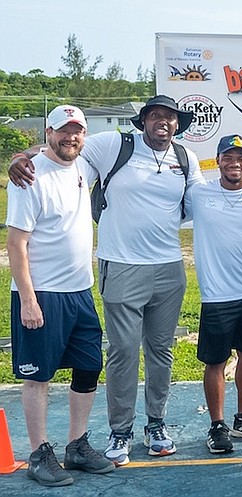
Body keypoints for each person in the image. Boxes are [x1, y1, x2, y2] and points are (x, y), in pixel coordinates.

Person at [9, 95, 204, 465]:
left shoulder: (185, 158)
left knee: (161, 353)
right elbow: (63, 148)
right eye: (155, 116)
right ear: (142, 121)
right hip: (122, 264)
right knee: (123, 353)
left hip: (169, 268)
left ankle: (156, 424)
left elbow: (200, 201)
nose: (163, 122)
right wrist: (20, 159)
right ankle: (120, 432)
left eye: (170, 117)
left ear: (178, 124)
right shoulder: (114, 144)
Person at [6, 105, 115, 487]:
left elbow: (51, 150)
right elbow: (16, 244)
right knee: (38, 376)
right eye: (63, 131)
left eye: (77, 131)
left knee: (88, 367)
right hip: (42, 294)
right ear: (48, 132)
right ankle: (39, 453)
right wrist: (29, 300)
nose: (71, 137)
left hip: (79, 293)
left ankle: (76, 445)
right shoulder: (28, 178)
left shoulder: (83, 168)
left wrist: (21, 153)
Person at [185, 134, 242, 454]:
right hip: (216, 295)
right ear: (218, 160)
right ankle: (217, 425)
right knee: (215, 362)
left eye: (241, 157)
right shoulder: (199, 193)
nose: (234, 163)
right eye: (228, 156)